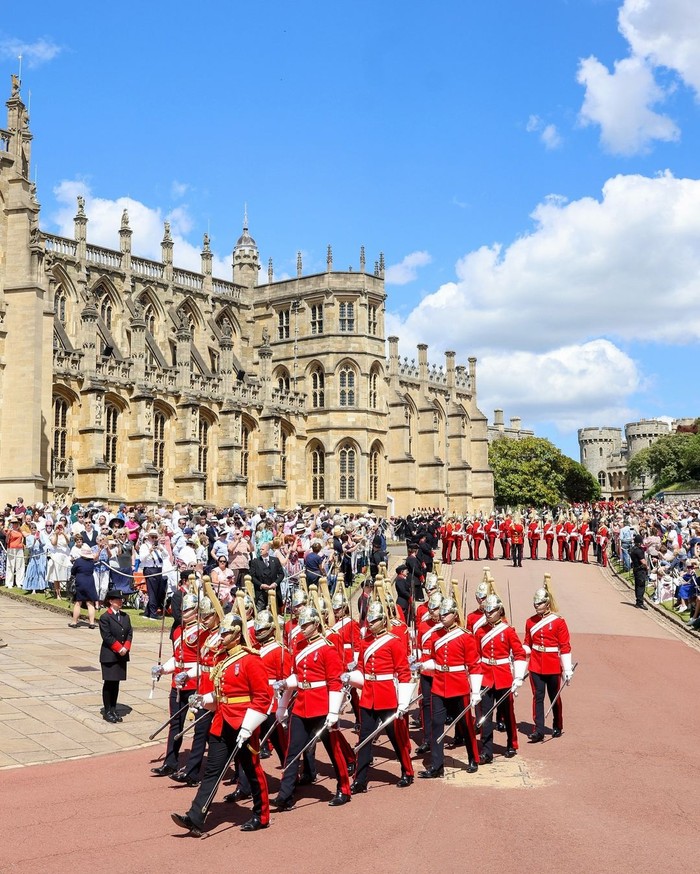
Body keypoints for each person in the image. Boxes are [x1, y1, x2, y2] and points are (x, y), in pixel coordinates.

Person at [171, 612, 272, 835]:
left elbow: (263, 697)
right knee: (213, 772)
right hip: (222, 720)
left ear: (237, 635)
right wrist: (203, 699)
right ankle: (196, 817)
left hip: (243, 723)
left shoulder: (251, 659)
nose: (222, 636)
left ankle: (261, 814)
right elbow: (220, 697)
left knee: (252, 769)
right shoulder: (221, 659)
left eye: (226, 633)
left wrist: (248, 726)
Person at [273, 606, 352, 810]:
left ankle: (344, 787)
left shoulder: (327, 648)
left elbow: (335, 681)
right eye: (301, 624)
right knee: (293, 750)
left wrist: (333, 711)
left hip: (322, 706)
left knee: (333, 749)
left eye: (307, 624)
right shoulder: (298, 647)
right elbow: (298, 676)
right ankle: (286, 794)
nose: (303, 628)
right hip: (301, 705)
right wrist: (285, 685)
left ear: (317, 624)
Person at [345, 601, 415, 792]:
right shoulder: (365, 641)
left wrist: (403, 702)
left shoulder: (393, 641)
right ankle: (360, 779)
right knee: (364, 738)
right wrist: (349, 677)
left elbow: (403, 673)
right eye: (369, 620)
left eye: (375, 620)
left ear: (383, 621)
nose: (371, 624)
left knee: (396, 737)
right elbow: (362, 670)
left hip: (387, 696)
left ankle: (407, 771)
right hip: (368, 696)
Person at [417, 597, 480, 778]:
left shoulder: (465, 636)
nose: (442, 617)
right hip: (439, 685)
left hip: (458, 685)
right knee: (436, 724)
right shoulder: (435, 634)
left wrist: (475, 691)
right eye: (441, 613)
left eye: (446, 614)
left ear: (454, 615)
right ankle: (437, 766)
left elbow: (474, 665)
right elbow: (434, 658)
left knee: (466, 724)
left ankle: (473, 757)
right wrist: (424, 665)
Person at [472, 594, 527, 762]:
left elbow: (519, 653)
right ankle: (486, 751)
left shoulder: (508, 631)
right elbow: (475, 656)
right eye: (486, 610)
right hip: (486, 676)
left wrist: (518, 677)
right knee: (485, 715)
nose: (488, 613)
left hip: (503, 675)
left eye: (492, 610)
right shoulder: (480, 631)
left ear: (499, 610)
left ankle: (512, 743)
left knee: (507, 712)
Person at [523, 579, 573, 741]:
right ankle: (538, 729)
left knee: (554, 696)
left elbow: (564, 646)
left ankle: (557, 724)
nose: (536, 606)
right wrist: (519, 652)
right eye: (535, 604)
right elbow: (527, 643)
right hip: (536, 664)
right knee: (537, 696)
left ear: (547, 603)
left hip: (552, 664)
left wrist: (566, 669)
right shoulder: (530, 622)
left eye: (539, 604)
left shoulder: (558, 622)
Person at [98, 589, 133, 723]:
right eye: (118, 600)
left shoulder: (125, 616)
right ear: (111, 601)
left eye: (121, 600)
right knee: (109, 683)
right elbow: (107, 636)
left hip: (122, 654)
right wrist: (119, 648)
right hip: (110, 655)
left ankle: (113, 708)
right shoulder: (105, 617)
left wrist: (127, 647)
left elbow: (129, 632)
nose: (120, 602)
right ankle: (107, 710)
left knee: (116, 683)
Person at [248, 541, 285, 611]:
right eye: (260, 549)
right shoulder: (255, 562)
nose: (260, 551)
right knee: (260, 612)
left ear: (268, 550)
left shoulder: (275, 560)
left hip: (274, 590)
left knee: (274, 611)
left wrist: (275, 583)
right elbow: (252, 576)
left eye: (262, 549)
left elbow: (281, 574)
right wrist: (261, 585)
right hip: (261, 591)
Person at [68, 545, 99, 628]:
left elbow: (73, 571)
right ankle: (92, 623)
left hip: (80, 581)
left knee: (78, 602)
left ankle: (74, 622)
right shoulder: (91, 562)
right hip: (90, 581)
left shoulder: (78, 561)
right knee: (90, 603)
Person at [140, 530, 166, 619]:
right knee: (153, 592)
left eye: (155, 537)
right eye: (152, 537)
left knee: (158, 591)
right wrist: (149, 551)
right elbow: (141, 558)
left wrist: (161, 549)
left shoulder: (159, 545)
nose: (154, 539)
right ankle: (153, 614)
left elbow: (167, 556)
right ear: (148, 537)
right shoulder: (144, 546)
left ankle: (147, 612)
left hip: (158, 569)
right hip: (150, 569)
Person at [630, 534, 649, 610]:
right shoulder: (638, 551)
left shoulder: (633, 549)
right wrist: (647, 567)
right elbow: (643, 561)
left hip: (635, 568)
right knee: (641, 586)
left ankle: (638, 601)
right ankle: (640, 602)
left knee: (637, 586)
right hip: (640, 570)